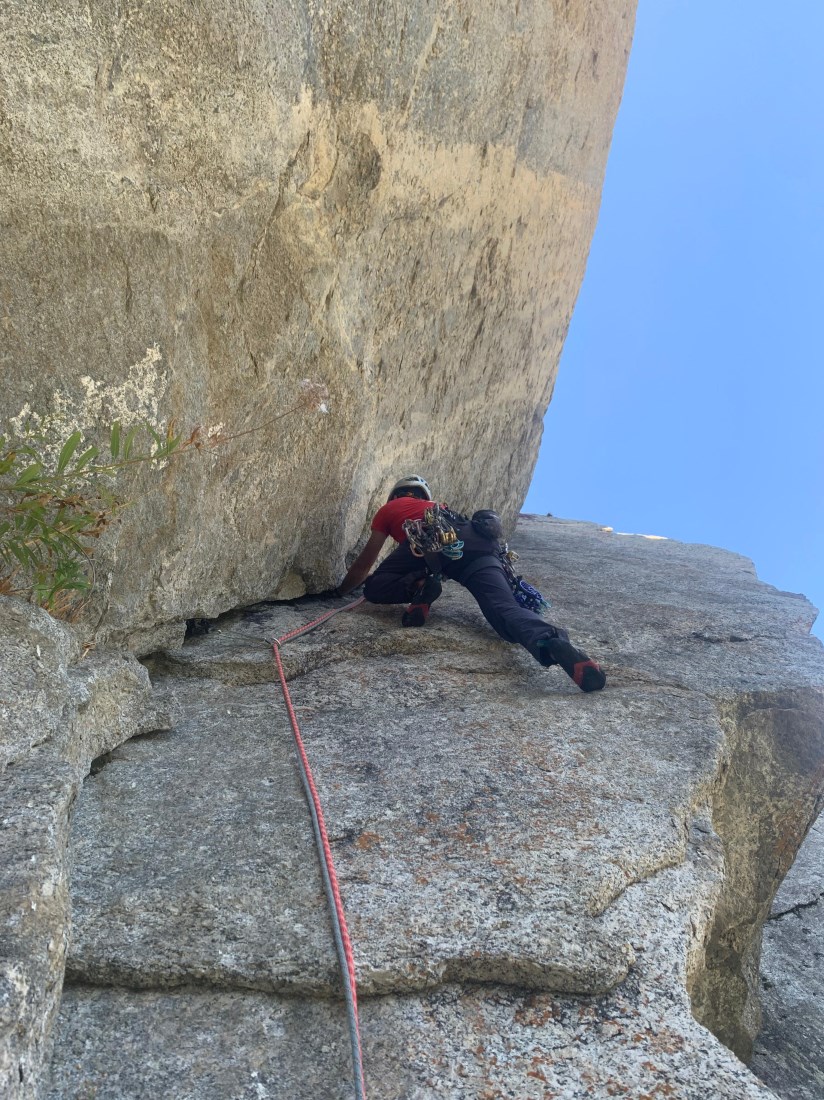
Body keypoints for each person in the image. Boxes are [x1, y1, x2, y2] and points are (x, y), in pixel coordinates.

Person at [337, 475, 606, 692]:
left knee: (376, 586)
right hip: (478, 546)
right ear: (423, 496)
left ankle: (420, 589)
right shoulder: (441, 508)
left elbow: (365, 563)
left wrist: (339, 592)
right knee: (505, 610)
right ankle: (551, 642)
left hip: (429, 540)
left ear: (397, 495)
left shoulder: (390, 508)